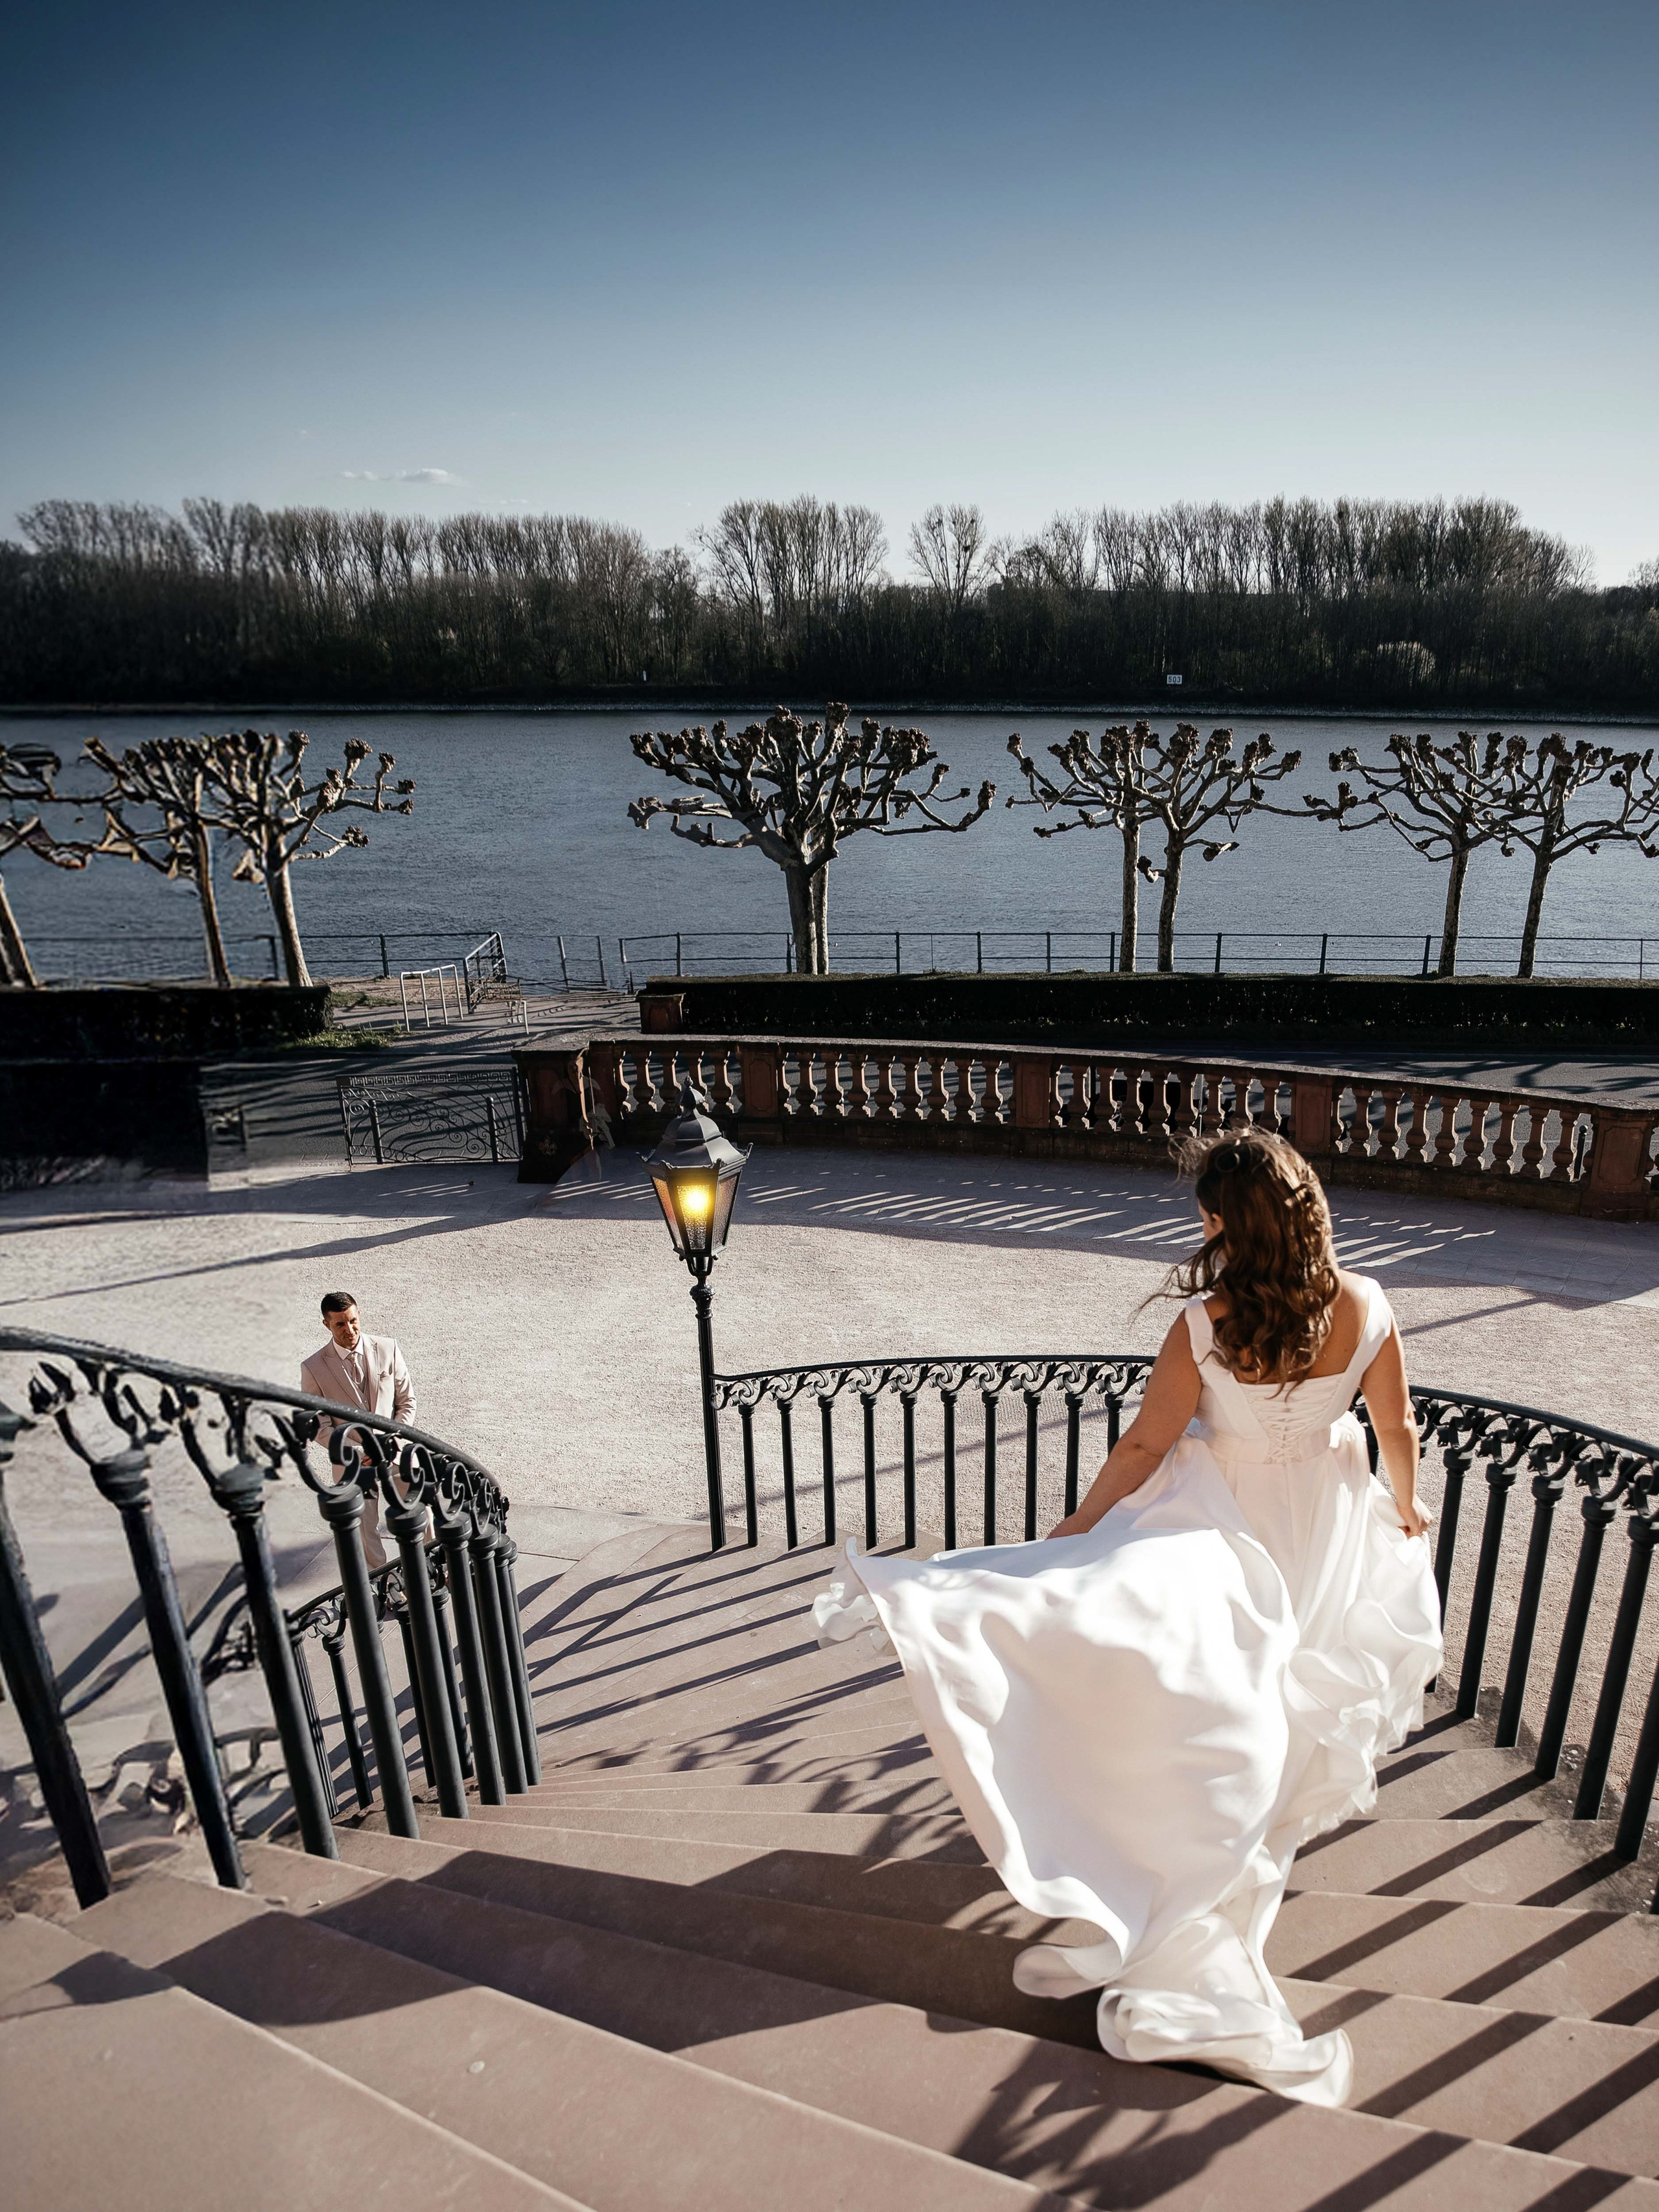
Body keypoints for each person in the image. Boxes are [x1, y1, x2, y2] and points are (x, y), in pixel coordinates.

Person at [814, 1128, 1441, 2107]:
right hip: (1322, 1516)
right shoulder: (1367, 1303)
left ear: (1225, 1222)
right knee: (1289, 1692)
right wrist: (1404, 1508)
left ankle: (1181, 1855)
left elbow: (1149, 1442)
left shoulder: (1209, 1320)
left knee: (1209, 1685)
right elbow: (1396, 1429)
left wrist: (1074, 1530)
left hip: (1226, 1523)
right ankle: (1236, 1858)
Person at [299, 1292, 417, 1570]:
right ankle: (383, 1583)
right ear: (326, 1324)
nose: (349, 1330)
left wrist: (393, 1439)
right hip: (355, 1463)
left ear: (359, 1315)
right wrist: (360, 1451)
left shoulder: (388, 1348)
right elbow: (319, 1425)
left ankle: (433, 1569)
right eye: (340, 1324)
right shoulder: (313, 1367)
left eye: (353, 1321)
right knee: (365, 1531)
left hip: (395, 1451)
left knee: (418, 1510)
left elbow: (406, 1402)